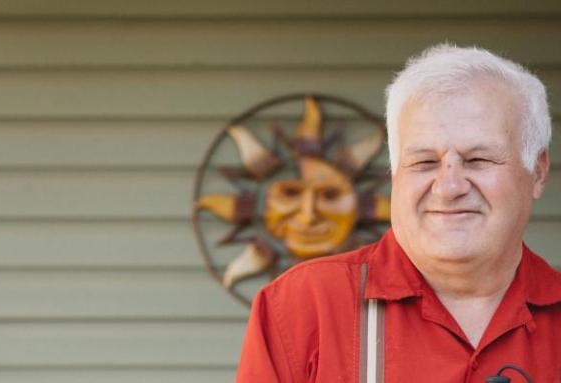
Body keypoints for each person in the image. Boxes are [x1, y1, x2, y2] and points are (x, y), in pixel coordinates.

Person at [235, 44, 561, 382]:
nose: (448, 187)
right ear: (395, 176)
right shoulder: (301, 308)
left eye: (478, 160)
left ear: (536, 172)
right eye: (424, 162)